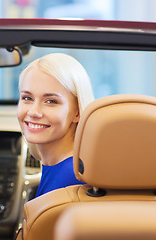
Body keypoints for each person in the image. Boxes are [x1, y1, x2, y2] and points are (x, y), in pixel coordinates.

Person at [17, 53, 95, 198]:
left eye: (51, 101)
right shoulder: (63, 168)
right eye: (27, 98)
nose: (34, 112)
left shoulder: (73, 179)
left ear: (77, 112)